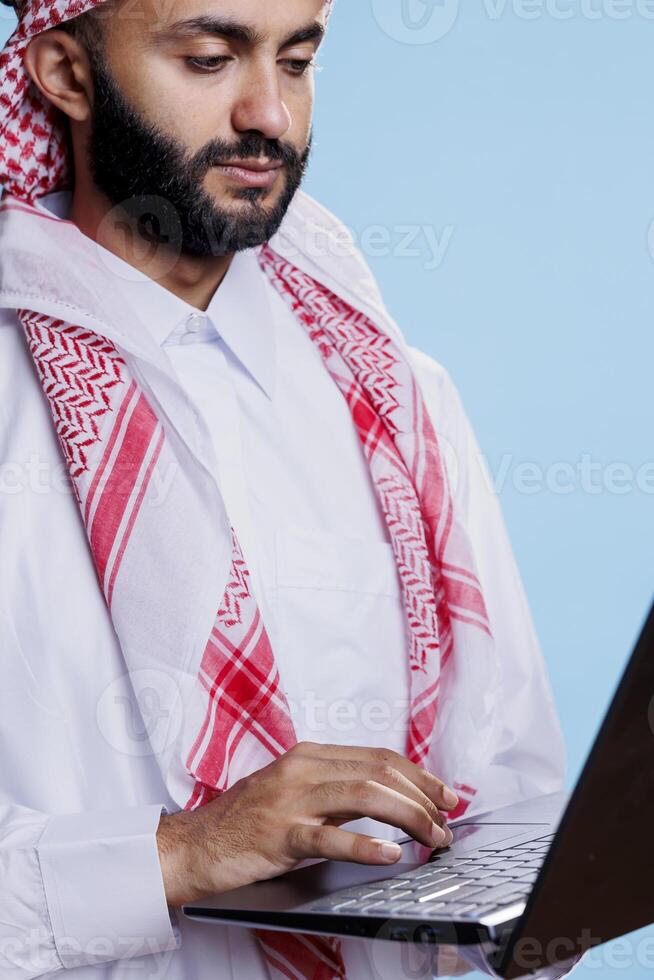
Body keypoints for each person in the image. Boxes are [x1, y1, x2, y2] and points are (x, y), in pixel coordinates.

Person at [0, 1, 565, 978]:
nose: (270, 112)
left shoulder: (395, 393)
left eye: (297, 61)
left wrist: (558, 896)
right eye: (212, 59)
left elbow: (510, 782)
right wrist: (182, 852)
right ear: (65, 72)